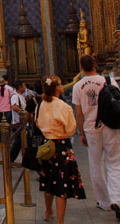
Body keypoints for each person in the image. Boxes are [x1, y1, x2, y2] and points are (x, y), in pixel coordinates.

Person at [72, 54, 120, 221]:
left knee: (96, 165)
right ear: (95, 65)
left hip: (92, 129)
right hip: (112, 126)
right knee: (115, 164)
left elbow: (79, 113)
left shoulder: (78, 86)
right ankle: (118, 199)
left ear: (81, 68)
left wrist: (81, 133)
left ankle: (104, 202)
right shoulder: (109, 81)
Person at [36, 75, 86, 223]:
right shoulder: (64, 107)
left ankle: (47, 211)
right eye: (60, 84)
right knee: (61, 185)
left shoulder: (41, 104)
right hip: (61, 146)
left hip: (46, 145)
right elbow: (70, 129)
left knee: (48, 180)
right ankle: (60, 221)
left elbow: (37, 123)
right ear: (57, 88)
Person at [10, 80, 27, 161]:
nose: (25, 88)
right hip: (18, 122)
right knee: (17, 143)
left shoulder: (21, 96)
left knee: (20, 142)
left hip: (22, 122)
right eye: (24, 86)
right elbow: (14, 107)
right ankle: (10, 159)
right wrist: (23, 113)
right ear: (20, 87)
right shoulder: (15, 96)